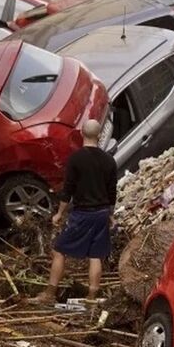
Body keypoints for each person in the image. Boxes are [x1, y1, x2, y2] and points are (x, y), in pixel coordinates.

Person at [36, 119, 118, 304]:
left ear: (82, 133)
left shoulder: (76, 159)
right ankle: (91, 297)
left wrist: (59, 213)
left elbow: (68, 190)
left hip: (82, 214)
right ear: (99, 135)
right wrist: (110, 215)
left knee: (59, 250)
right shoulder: (109, 161)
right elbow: (112, 191)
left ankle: (49, 293)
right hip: (101, 213)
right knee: (96, 255)